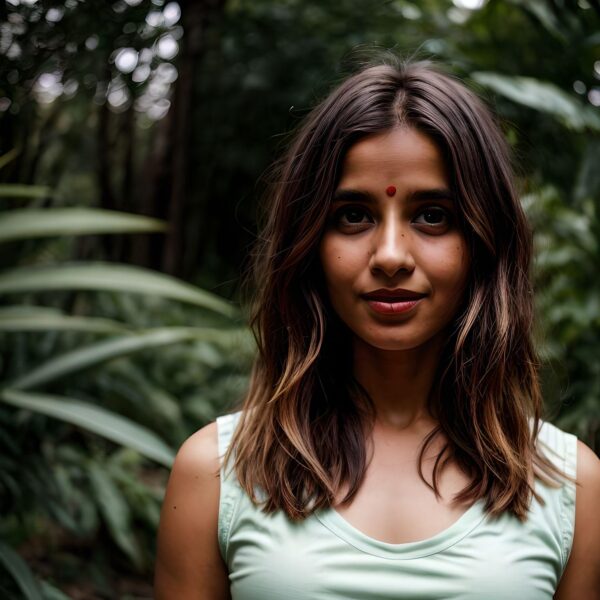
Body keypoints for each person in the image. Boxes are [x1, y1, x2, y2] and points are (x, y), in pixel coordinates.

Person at [154, 58, 600, 599]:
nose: (390, 256)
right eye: (353, 216)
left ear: (486, 243)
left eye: (433, 215)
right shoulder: (216, 473)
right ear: (308, 244)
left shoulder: (572, 484)